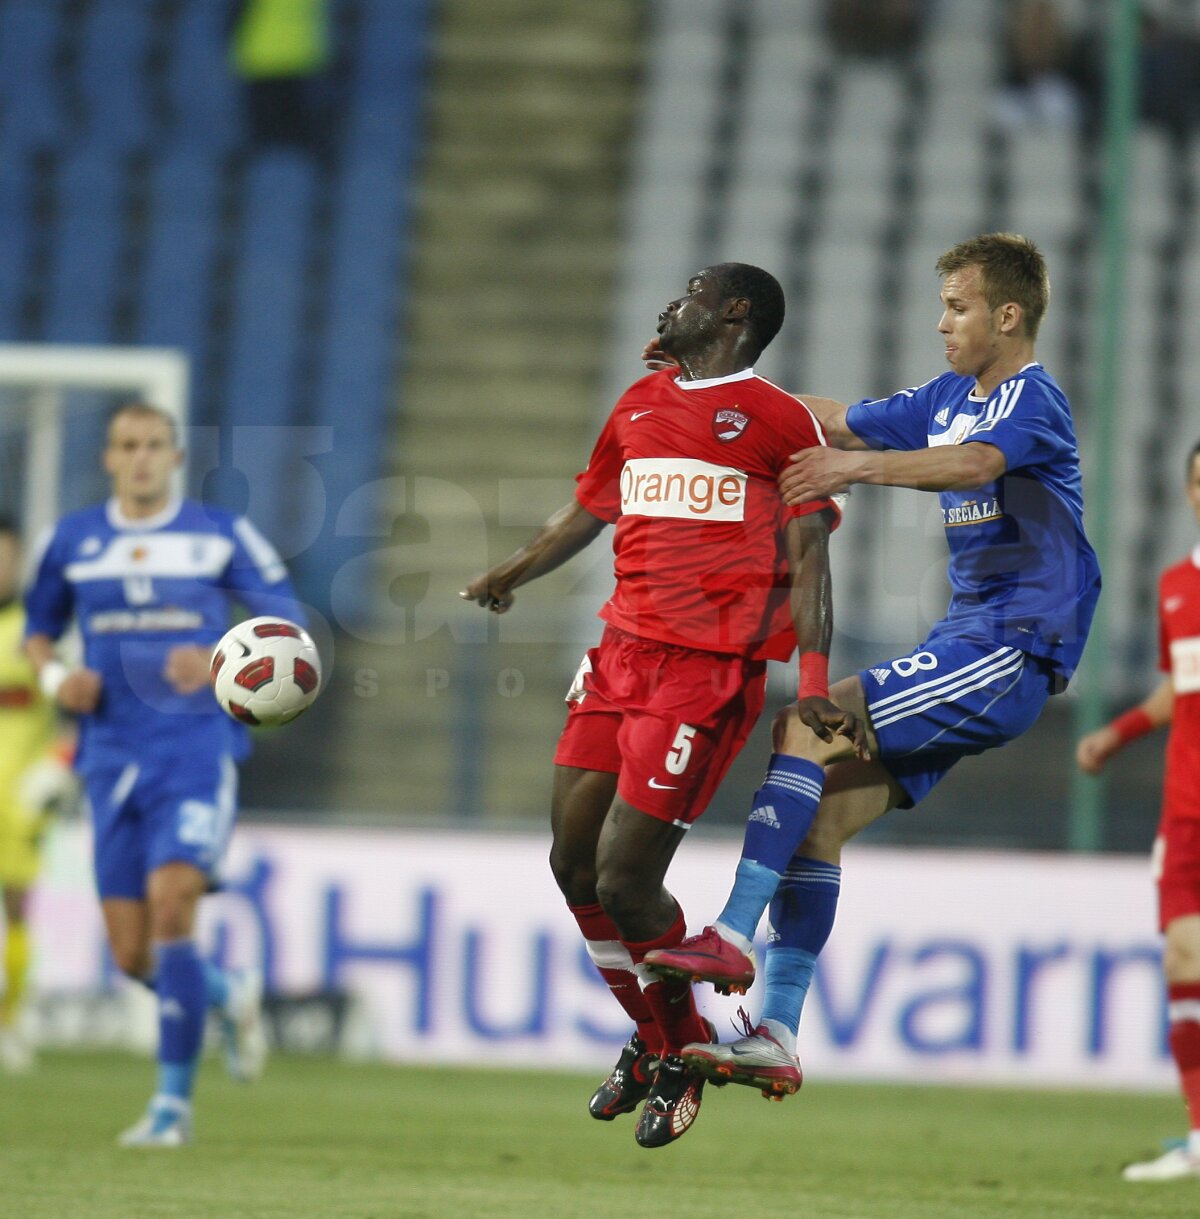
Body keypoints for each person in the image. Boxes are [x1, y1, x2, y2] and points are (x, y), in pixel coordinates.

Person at [644, 233, 1102, 1100]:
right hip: (973, 641)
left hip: (1010, 644)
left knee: (808, 721)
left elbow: (971, 465)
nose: (942, 324)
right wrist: (706, 383)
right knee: (819, 817)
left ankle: (734, 932)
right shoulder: (948, 396)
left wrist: (854, 468)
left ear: (1007, 315)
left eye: (958, 307)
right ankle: (776, 1031)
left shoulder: (1032, 402)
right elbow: (832, 415)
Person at [461, 263, 866, 1147]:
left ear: (733, 313)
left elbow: (810, 557)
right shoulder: (640, 402)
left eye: (688, 292)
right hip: (617, 656)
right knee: (572, 865)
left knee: (624, 878)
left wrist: (812, 675)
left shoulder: (777, 419)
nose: (666, 303)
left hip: (705, 673)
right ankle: (662, 1040)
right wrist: (512, 573)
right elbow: (589, 508)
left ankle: (678, 1048)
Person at [23, 401, 304, 1147]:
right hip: (108, 755)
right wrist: (58, 684)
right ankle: (225, 993)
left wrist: (220, 649)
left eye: (155, 445)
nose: (142, 456)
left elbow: (283, 614)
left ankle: (170, 1108)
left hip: (193, 748)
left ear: (176, 457)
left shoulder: (217, 533)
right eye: (127, 445)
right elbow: (37, 633)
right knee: (133, 953)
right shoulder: (74, 540)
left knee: (173, 905)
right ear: (109, 458)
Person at [1076, 439, 1200, 1183]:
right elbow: (1176, 689)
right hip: (1185, 810)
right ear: (1189, 492)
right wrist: (1113, 735)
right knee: (1184, 958)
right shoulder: (1175, 585)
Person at [0, 518, 69, 1073]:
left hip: (18, 796)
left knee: (17, 911)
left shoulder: (38, 633)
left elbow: (79, 714)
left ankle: (9, 1022)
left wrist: (57, 769)